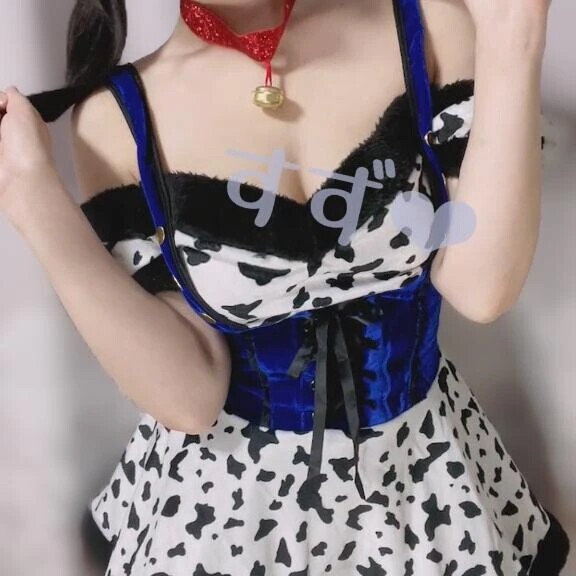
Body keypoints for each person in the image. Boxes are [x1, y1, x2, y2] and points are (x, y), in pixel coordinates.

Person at [0, 0, 570, 574]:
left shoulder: (427, 26)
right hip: (226, 519)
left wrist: (514, 32)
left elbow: (483, 289)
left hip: (425, 493)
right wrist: (32, 197)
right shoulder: (114, 119)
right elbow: (189, 399)